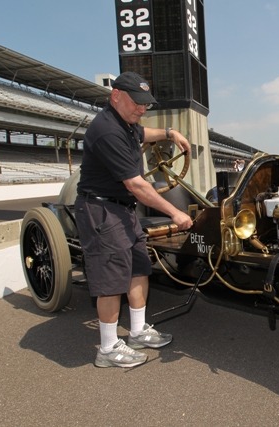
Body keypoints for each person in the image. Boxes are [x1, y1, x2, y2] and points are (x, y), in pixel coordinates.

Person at [75, 71, 193, 368]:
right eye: (137, 103)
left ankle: (137, 331)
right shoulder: (106, 131)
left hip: (123, 210)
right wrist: (176, 212)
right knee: (111, 280)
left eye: (145, 104)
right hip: (101, 210)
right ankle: (107, 347)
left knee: (139, 267)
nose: (142, 109)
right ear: (116, 96)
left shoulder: (127, 123)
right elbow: (137, 185)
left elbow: (144, 134)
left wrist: (170, 133)